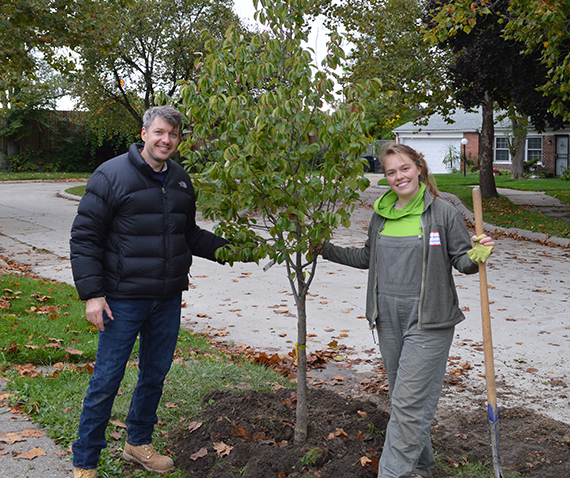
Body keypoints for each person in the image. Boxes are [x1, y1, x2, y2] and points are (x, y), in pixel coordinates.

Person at [69, 105, 229, 478]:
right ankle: (85, 460)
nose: (166, 140)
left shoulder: (179, 179)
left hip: (167, 297)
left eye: (173, 135)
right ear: (144, 134)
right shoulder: (110, 175)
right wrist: (93, 293)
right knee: (107, 378)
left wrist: (231, 250)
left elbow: (187, 234)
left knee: (154, 375)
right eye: (159, 133)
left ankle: (137, 444)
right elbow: (85, 237)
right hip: (122, 299)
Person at [320, 144, 494, 478]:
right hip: (387, 319)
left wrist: (477, 254)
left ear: (418, 168)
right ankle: (422, 467)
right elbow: (367, 258)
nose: (399, 176)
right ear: (385, 178)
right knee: (407, 401)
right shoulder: (382, 213)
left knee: (408, 404)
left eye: (404, 168)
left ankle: (393, 473)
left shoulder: (441, 213)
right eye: (391, 172)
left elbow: (461, 260)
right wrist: (324, 249)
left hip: (429, 320)